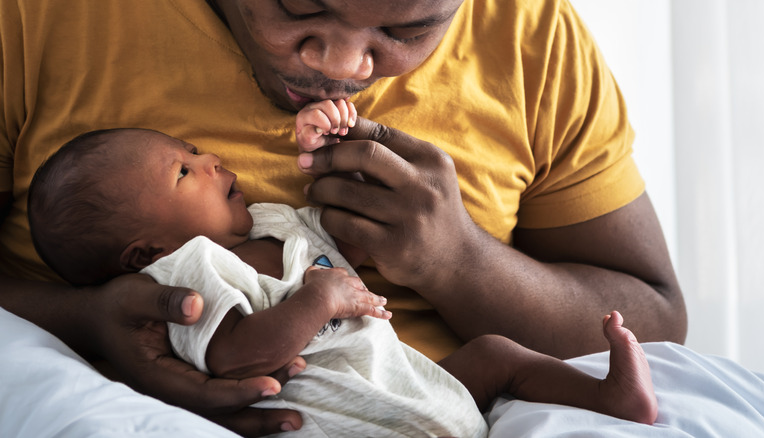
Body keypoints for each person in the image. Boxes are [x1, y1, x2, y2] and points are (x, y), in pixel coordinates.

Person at [0, 0, 686, 435]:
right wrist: (88, 318)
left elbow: (656, 318)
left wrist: (460, 260)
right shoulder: (39, 16)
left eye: (408, 28)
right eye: (299, 7)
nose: (344, 64)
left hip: (439, 392)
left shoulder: (534, 34)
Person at [27, 124, 657, 435]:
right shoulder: (187, 272)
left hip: (417, 387)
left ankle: (608, 400)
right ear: (146, 253)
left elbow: (344, 240)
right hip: (342, 420)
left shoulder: (272, 221)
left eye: (193, 149)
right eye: (184, 173)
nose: (210, 160)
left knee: (496, 355)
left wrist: (343, 154)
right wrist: (319, 297)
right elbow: (238, 358)